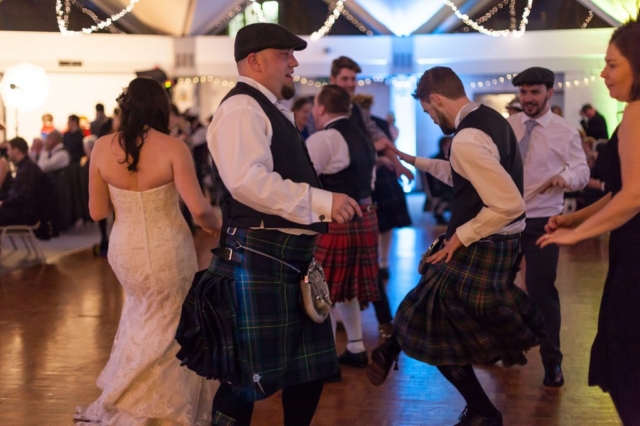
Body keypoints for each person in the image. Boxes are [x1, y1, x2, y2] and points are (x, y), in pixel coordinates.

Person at [367, 66, 544, 426]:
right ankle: (394, 351)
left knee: (433, 329)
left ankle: (483, 411)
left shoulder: (465, 139)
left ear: (435, 99)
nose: (431, 119)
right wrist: (415, 161)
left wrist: (461, 236)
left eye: (427, 111)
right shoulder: (490, 120)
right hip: (495, 243)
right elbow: (464, 175)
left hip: (483, 243)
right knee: (426, 312)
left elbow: (510, 204)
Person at [205, 23, 362, 426]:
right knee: (243, 379)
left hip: (287, 258)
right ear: (254, 61)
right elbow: (247, 182)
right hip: (258, 256)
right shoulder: (242, 108)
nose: (294, 63)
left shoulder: (266, 108)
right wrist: (322, 201)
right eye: (284, 55)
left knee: (309, 373)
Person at [74, 77, 220, 425]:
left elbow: (97, 212)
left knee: (141, 313)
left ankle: (127, 395)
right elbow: (198, 209)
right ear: (161, 108)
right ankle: (160, 404)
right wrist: (216, 226)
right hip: (169, 247)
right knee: (171, 319)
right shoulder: (173, 147)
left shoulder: (101, 147)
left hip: (126, 250)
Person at [539, 12, 640, 424]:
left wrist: (576, 237)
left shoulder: (636, 113)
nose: (603, 74)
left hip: (636, 256)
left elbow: (634, 195)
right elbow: (621, 190)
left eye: (612, 64)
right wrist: (575, 220)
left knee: (629, 366)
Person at [508, 67, 590, 387]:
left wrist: (564, 178)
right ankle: (506, 346)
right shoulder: (509, 126)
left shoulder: (564, 131)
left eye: (534, 92)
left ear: (549, 93)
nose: (528, 98)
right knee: (497, 287)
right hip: (505, 218)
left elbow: (581, 171)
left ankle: (552, 361)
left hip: (544, 221)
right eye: (523, 92)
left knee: (542, 291)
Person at [306, 84, 379, 375]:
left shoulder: (324, 138)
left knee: (321, 289)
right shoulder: (364, 138)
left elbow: (302, 183)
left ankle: (324, 360)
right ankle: (356, 347)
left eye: (315, 106)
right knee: (344, 287)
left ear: (321, 108)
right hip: (364, 216)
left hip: (336, 220)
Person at [349, 89, 412, 339]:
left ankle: (377, 324)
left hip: (373, 185)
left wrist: (396, 164)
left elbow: (386, 146)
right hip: (358, 189)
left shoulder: (373, 123)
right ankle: (365, 328)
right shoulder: (349, 125)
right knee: (364, 255)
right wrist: (388, 161)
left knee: (383, 228)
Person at [0, 137, 45, 226]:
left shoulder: (27, 169)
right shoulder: (25, 166)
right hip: (22, 211)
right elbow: (14, 194)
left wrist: (3, 202)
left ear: (16, 150)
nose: (7, 153)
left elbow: (21, 196)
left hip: (25, 214)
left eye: (9, 149)